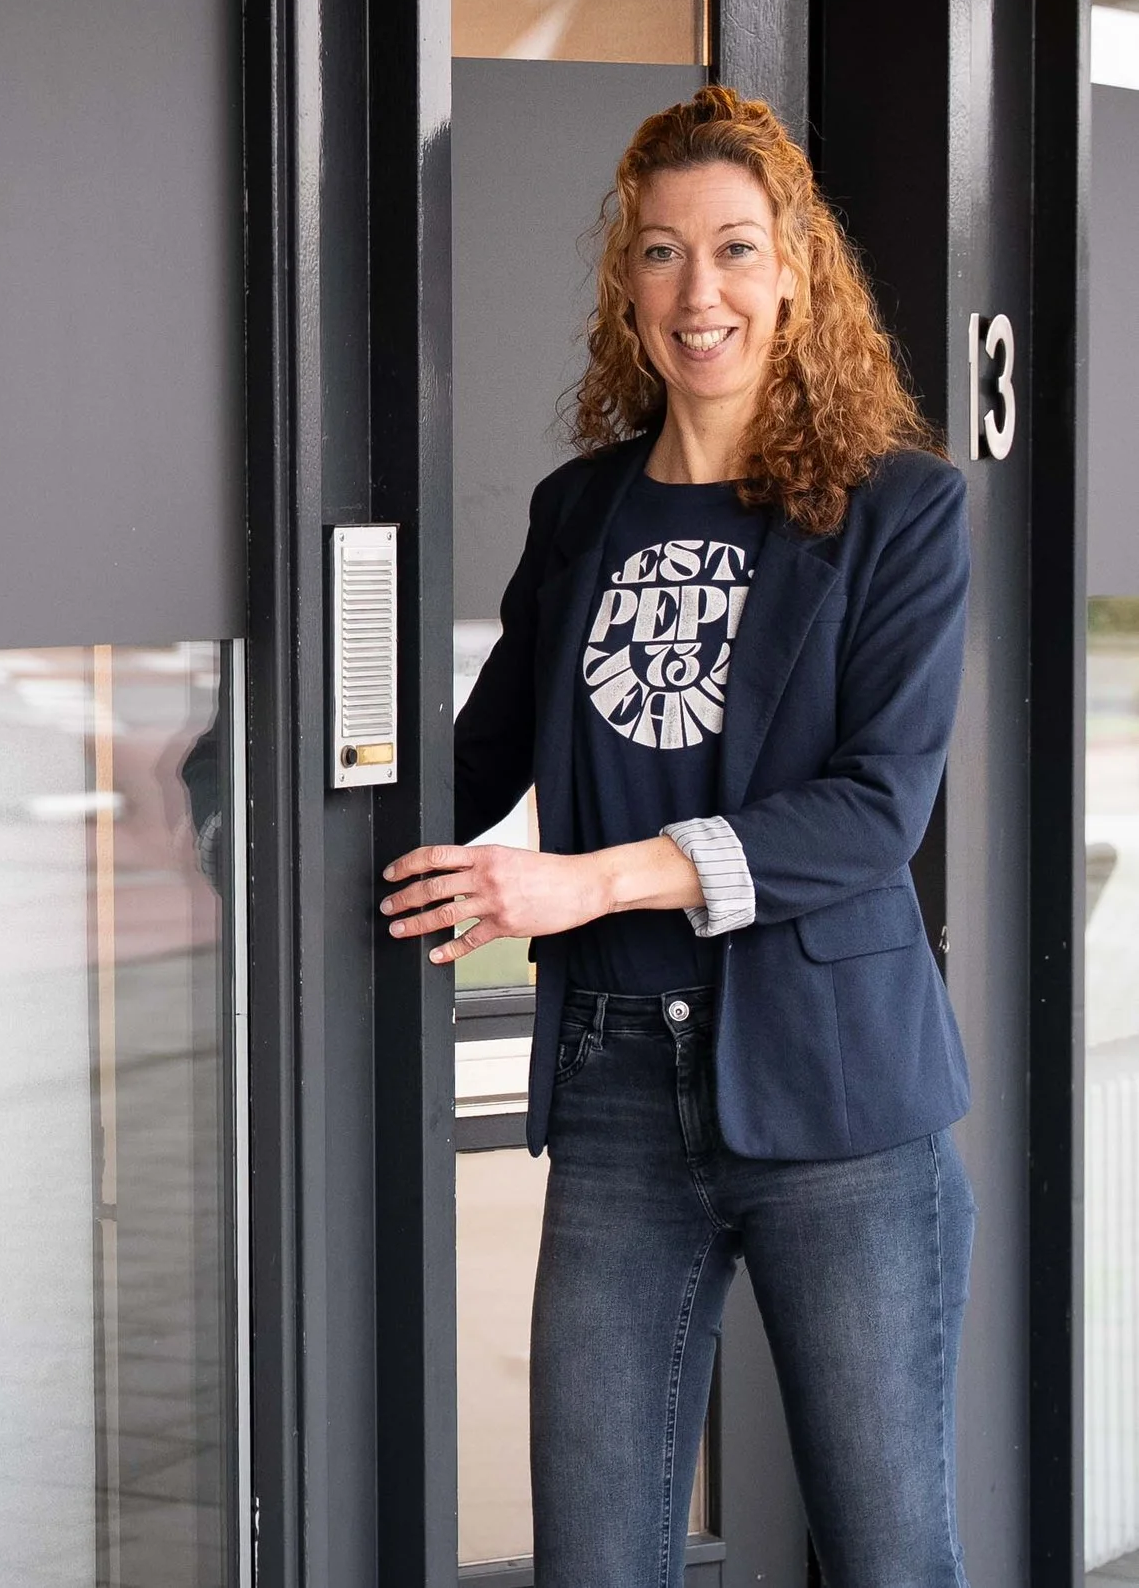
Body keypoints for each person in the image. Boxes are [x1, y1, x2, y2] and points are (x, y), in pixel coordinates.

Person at [380, 85, 973, 1586]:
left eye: (732, 248)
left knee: (895, 1554)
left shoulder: (899, 510)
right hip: (619, 1092)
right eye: (659, 252)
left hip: (837, 1089)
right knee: (596, 1558)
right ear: (625, 285)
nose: (696, 291)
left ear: (795, 273)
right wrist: (278, 799)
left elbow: (871, 811)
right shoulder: (581, 511)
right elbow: (477, 759)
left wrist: (582, 881)